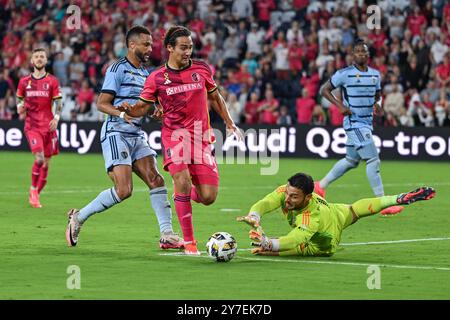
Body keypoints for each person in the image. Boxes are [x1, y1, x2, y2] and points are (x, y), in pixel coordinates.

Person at [120, 26, 243, 255]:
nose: (188, 52)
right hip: (174, 137)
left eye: (190, 47)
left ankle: (181, 196)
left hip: (201, 138)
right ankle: (190, 242)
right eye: (183, 48)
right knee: (183, 179)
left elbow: (215, 97)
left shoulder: (202, 69)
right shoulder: (156, 78)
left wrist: (229, 122)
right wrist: (130, 110)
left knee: (208, 197)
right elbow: (143, 108)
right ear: (169, 48)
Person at [65, 26, 182, 250]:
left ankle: (167, 234)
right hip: (116, 132)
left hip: (136, 133)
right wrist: (121, 113)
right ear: (132, 45)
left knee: (156, 180)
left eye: (151, 44)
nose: (150, 48)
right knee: (124, 190)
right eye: (146, 44)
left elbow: (146, 107)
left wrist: (155, 112)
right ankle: (78, 218)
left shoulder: (145, 74)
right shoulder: (117, 69)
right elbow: (102, 103)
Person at [237, 173, 436, 256]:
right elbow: (266, 202)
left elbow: (296, 238)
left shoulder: (310, 217)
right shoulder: (286, 191)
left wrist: (269, 244)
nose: (287, 200)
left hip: (324, 238)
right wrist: (255, 214)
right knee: (355, 209)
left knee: (282, 250)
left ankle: (396, 198)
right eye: (288, 193)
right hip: (335, 211)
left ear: (308, 197)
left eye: (294, 197)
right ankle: (396, 198)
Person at [315, 39, 403, 215]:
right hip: (354, 123)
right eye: (357, 52)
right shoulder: (344, 74)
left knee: (351, 160)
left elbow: (377, 95)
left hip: (367, 123)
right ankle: (383, 203)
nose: (361, 54)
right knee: (373, 160)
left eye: (364, 52)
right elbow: (324, 90)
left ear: (368, 55)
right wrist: (339, 105)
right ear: (352, 55)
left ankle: (320, 185)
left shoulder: (375, 75)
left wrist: (378, 104)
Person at [16, 48, 63, 208]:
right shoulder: (24, 81)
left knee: (47, 164)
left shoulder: (52, 81)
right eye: (36, 56)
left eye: (42, 56)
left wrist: (56, 118)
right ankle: (33, 190)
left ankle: (36, 193)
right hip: (32, 126)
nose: (39, 59)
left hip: (49, 126)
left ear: (46, 60)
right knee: (40, 159)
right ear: (32, 61)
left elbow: (58, 102)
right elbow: (19, 99)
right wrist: (19, 107)